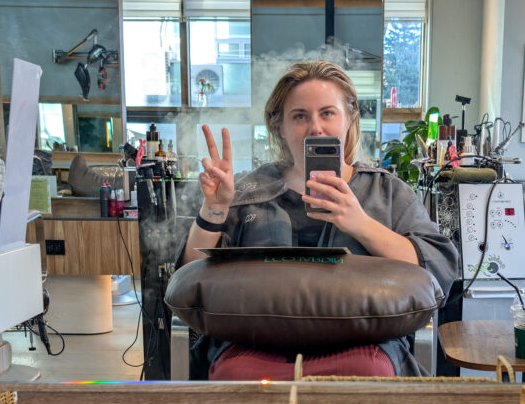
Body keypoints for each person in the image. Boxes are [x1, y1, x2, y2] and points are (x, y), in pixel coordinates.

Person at [180, 60, 457, 380]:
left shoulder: (385, 192)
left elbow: (436, 271)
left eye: (327, 113)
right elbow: (191, 273)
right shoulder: (247, 191)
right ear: (280, 128)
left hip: (364, 345)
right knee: (236, 373)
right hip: (252, 342)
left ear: (349, 118)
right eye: (300, 116)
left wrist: (360, 223)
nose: (315, 128)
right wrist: (214, 208)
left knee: (364, 372)